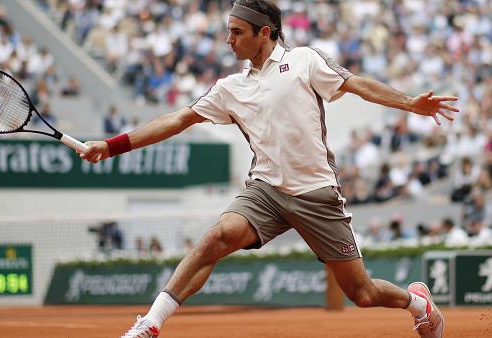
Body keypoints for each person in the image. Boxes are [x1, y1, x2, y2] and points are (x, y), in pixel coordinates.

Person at [78, 1, 458, 337]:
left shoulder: (305, 60)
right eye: (228, 31)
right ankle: (151, 324)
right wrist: (112, 147)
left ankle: (418, 303)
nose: (229, 40)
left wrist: (410, 103)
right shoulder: (229, 87)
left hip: (317, 194)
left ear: (265, 32)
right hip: (267, 192)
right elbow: (177, 119)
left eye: (236, 32)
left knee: (362, 293)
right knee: (216, 238)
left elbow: (357, 85)